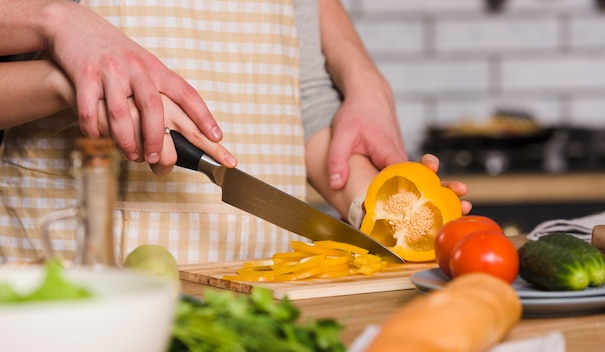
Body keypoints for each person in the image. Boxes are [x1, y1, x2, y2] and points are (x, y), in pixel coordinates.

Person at [0, 0, 468, 265]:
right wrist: (64, 81)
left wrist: (385, 206)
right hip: (77, 281)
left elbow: (303, 103)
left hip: (263, 290)